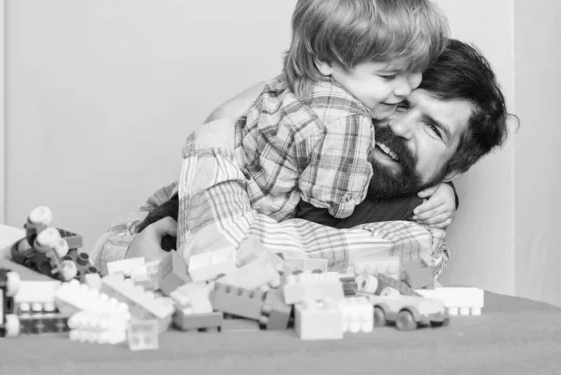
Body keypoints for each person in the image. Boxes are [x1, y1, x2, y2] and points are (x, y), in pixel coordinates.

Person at [91, 39, 515, 277]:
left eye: (434, 129)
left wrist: (217, 127)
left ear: (454, 167)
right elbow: (119, 236)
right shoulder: (285, 149)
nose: (402, 128)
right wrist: (127, 252)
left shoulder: (415, 236)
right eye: (401, 104)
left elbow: (222, 259)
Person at [137, 0, 450, 236]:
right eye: (388, 76)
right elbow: (330, 208)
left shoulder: (296, 81)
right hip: (244, 224)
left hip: (206, 195)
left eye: (416, 71)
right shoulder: (349, 121)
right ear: (326, 60)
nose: (406, 88)